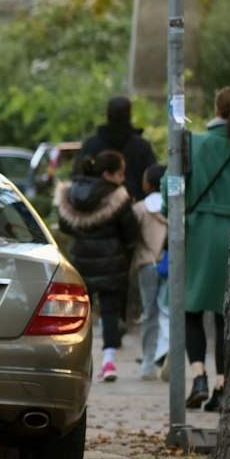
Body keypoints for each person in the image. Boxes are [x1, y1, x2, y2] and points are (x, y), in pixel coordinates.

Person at [54, 149, 139, 383]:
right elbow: (130, 231)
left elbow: (65, 225)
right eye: (120, 174)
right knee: (110, 311)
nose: (123, 178)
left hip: (80, 260)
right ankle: (109, 362)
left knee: (81, 313)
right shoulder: (117, 197)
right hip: (111, 262)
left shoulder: (70, 193)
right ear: (107, 174)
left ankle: (79, 361)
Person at [183, 85, 230, 411]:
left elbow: (169, 189)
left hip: (199, 232)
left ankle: (199, 378)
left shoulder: (195, 143)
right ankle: (222, 388)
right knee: (224, 315)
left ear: (216, 111)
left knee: (191, 309)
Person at [77, 94, 157, 202]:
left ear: (107, 115)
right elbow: (153, 178)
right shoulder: (141, 146)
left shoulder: (91, 145)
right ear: (129, 115)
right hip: (135, 208)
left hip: (97, 208)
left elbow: (79, 177)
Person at [132, 162, 168, 379]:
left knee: (149, 313)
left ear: (147, 185)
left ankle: (148, 363)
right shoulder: (173, 207)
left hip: (146, 264)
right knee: (167, 310)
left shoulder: (139, 209)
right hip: (169, 263)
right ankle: (166, 352)